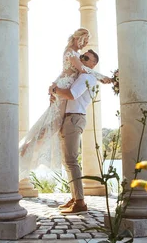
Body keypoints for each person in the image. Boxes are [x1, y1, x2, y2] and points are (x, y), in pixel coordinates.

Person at [18, 28, 110, 182]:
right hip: (63, 90)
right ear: (79, 38)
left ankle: (29, 149)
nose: (85, 45)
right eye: (85, 41)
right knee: (54, 124)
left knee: (53, 123)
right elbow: (81, 70)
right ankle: (28, 149)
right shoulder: (71, 53)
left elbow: (64, 72)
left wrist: (54, 85)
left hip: (62, 87)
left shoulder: (72, 54)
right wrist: (102, 76)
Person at [51, 49, 101, 214]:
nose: (82, 57)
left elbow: (72, 95)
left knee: (71, 160)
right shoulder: (82, 76)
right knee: (68, 161)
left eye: (87, 57)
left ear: (93, 64)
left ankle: (80, 202)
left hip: (74, 118)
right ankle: (75, 197)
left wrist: (55, 90)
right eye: (82, 55)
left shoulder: (86, 77)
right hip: (70, 118)